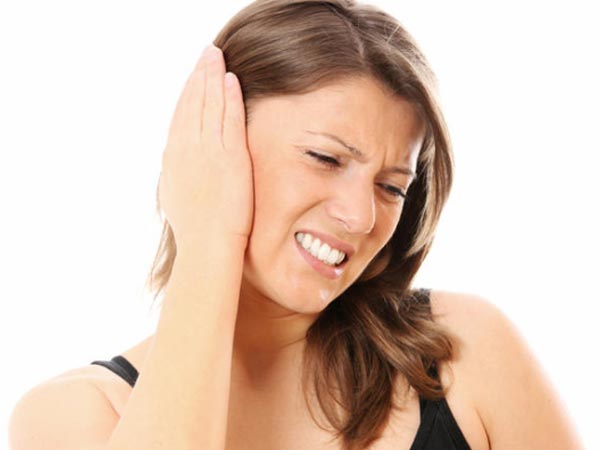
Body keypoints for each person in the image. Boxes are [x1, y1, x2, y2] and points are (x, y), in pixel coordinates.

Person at [8, 1, 582, 449]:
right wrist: (208, 242)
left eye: (391, 187)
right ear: (214, 142)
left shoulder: (463, 351)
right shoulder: (75, 415)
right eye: (325, 159)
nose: (361, 217)